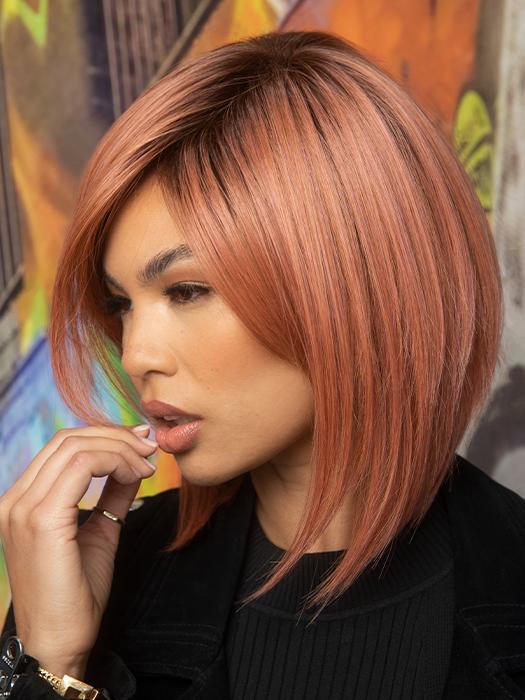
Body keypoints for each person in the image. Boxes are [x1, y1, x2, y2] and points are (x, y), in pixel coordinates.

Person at [0, 29, 524, 700]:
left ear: (352, 281)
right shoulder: (93, 586)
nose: (135, 355)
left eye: (187, 291)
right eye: (120, 303)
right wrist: (50, 665)